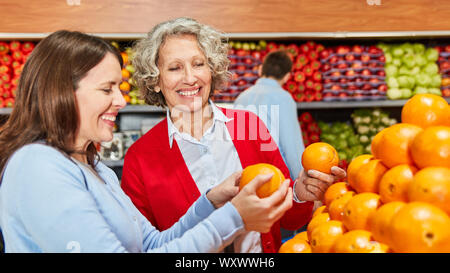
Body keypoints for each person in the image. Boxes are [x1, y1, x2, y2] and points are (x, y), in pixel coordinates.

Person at [0, 30, 295, 253]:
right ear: (61, 93)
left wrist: (210, 203)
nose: (121, 100)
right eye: (107, 89)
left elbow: (152, 243)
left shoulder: (97, 169)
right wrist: (234, 217)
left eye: (120, 87)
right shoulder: (37, 166)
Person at [121, 17, 346, 253]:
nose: (189, 78)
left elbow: (288, 218)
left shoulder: (250, 126)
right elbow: (142, 247)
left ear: (212, 70)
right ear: (155, 80)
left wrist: (302, 193)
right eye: (174, 68)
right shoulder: (139, 158)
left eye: (198, 64)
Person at [234, 50, 304, 181]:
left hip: (245, 174)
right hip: (273, 175)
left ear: (260, 70)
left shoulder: (241, 98)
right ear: (287, 76)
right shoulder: (284, 98)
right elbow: (292, 147)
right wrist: (302, 182)